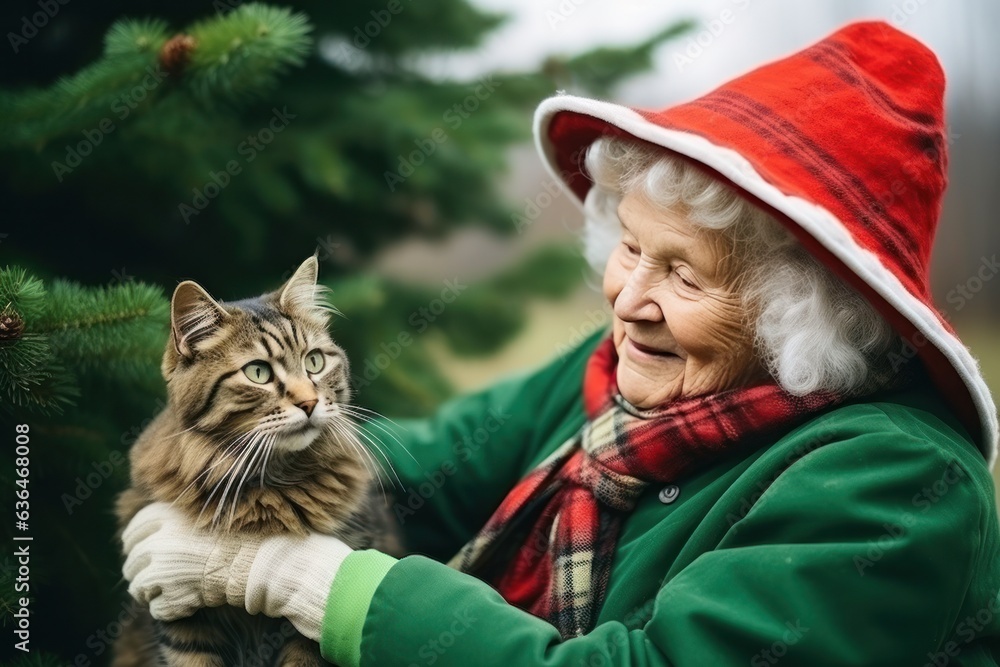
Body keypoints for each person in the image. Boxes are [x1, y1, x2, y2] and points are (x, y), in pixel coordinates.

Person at [122, 20, 1000, 666]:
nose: (630, 299)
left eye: (684, 274)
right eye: (630, 245)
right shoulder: (623, 374)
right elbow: (421, 465)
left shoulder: (901, 489)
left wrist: (320, 583)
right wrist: (209, 498)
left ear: (798, 310)